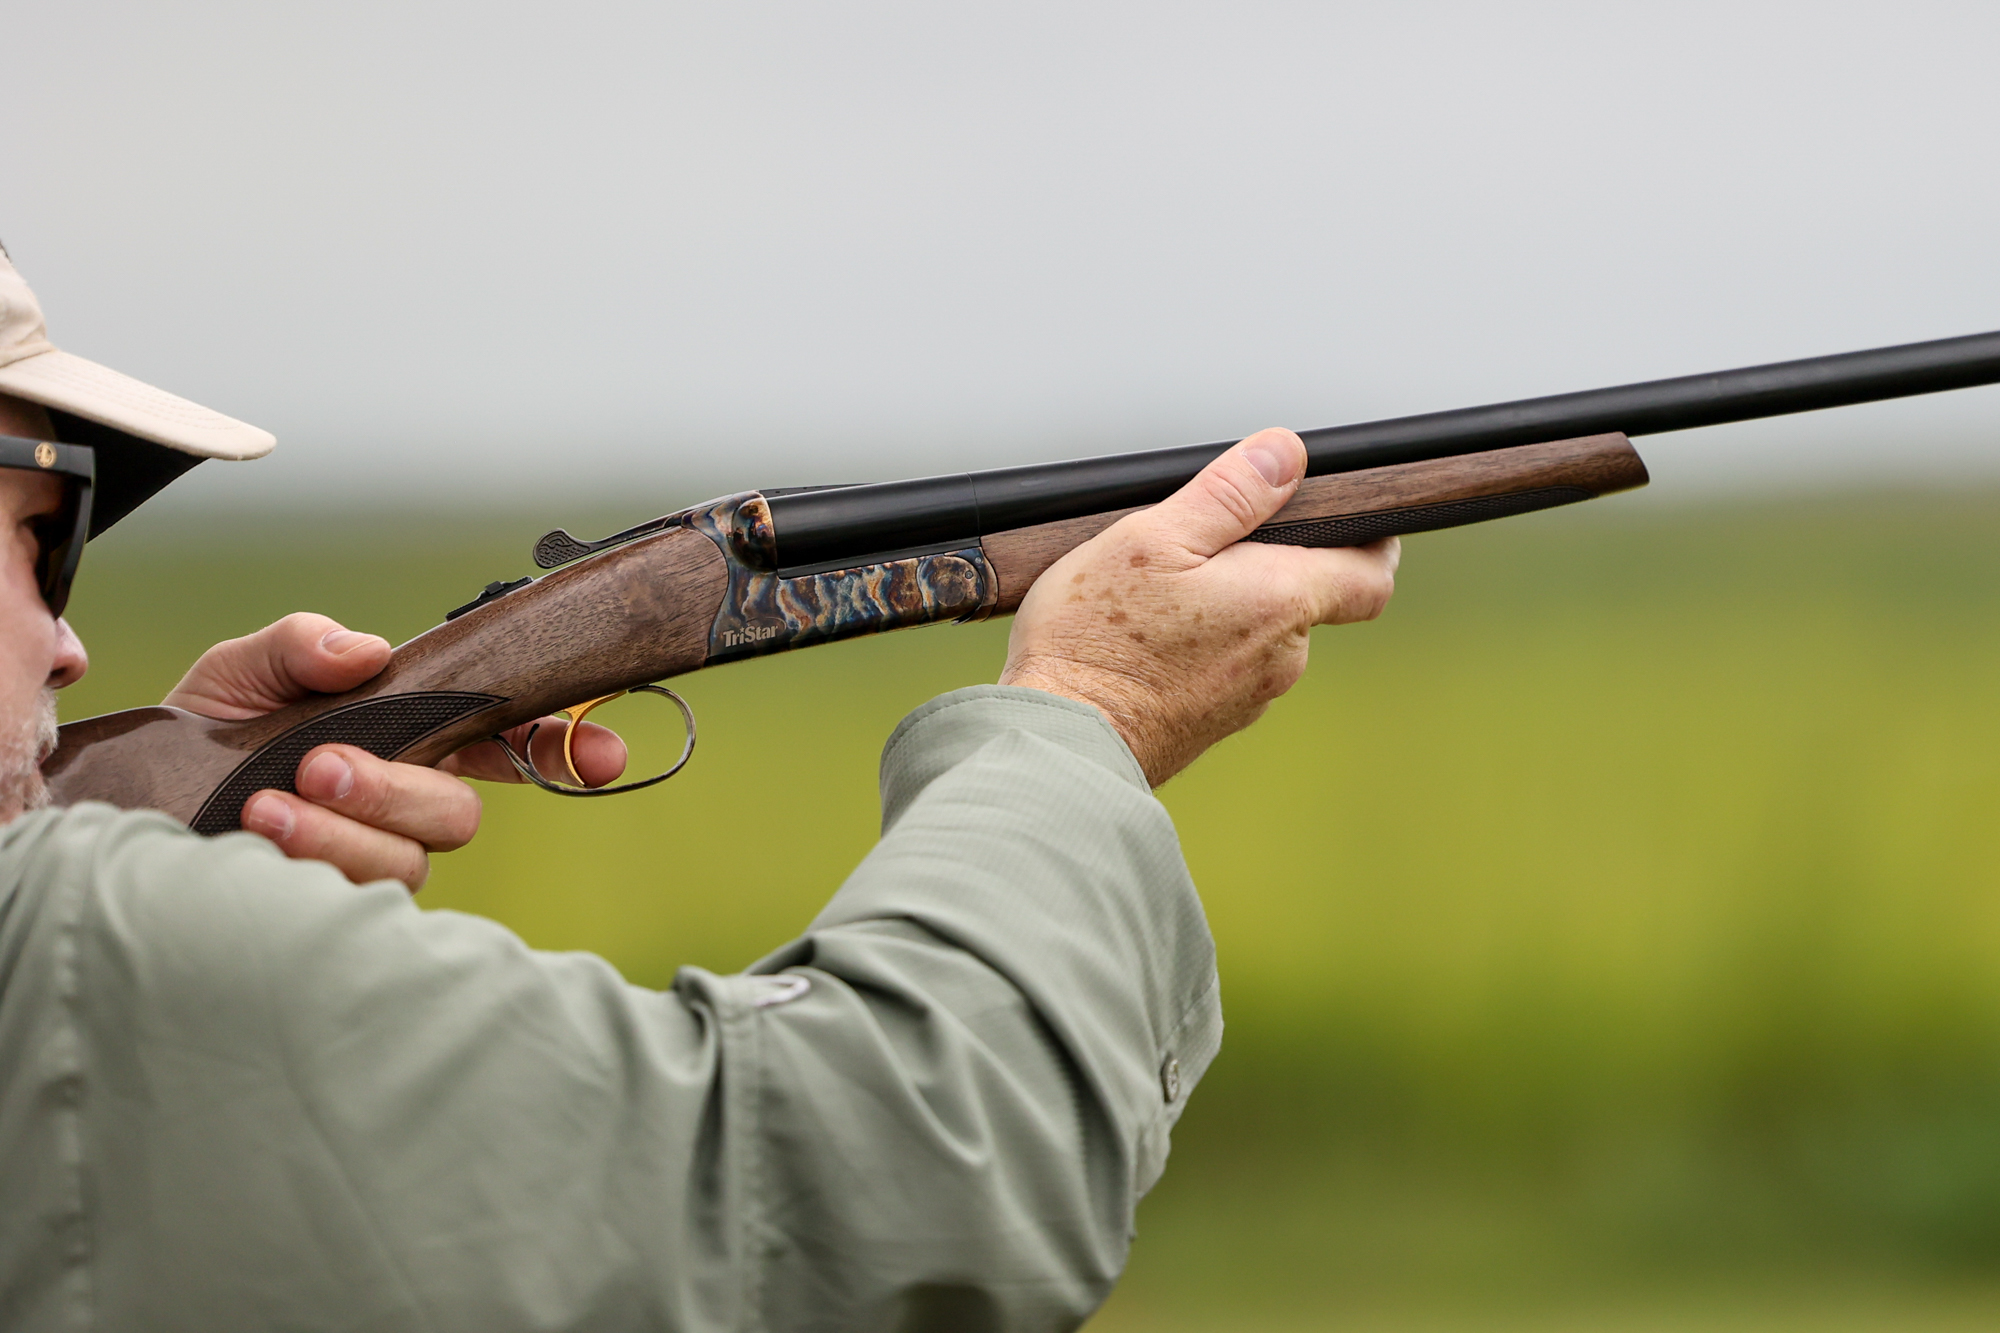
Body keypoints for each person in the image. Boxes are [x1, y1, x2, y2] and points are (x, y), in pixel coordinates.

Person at [0, 242, 1398, 1332]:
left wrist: (175, 808)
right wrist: (1092, 713)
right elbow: (903, 1173)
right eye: (34, 542)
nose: (68, 638)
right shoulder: (80, 944)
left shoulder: (76, 934)